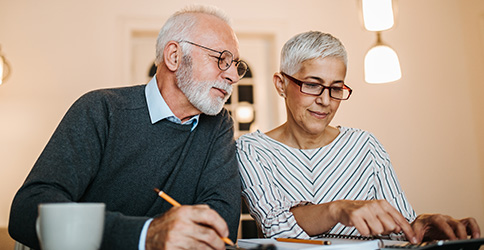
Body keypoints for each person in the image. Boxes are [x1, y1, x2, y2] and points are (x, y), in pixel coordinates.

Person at [9, 5, 248, 250]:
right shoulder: (101, 110)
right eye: (221, 59)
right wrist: (146, 235)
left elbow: (220, 228)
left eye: (235, 64)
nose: (233, 76)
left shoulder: (219, 124)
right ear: (174, 56)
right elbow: (27, 211)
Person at [236, 31, 480, 244]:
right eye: (312, 85)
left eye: (336, 88)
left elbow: (400, 230)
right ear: (281, 85)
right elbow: (278, 229)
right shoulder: (252, 150)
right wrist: (337, 209)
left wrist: (423, 225)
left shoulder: (366, 146)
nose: (325, 100)